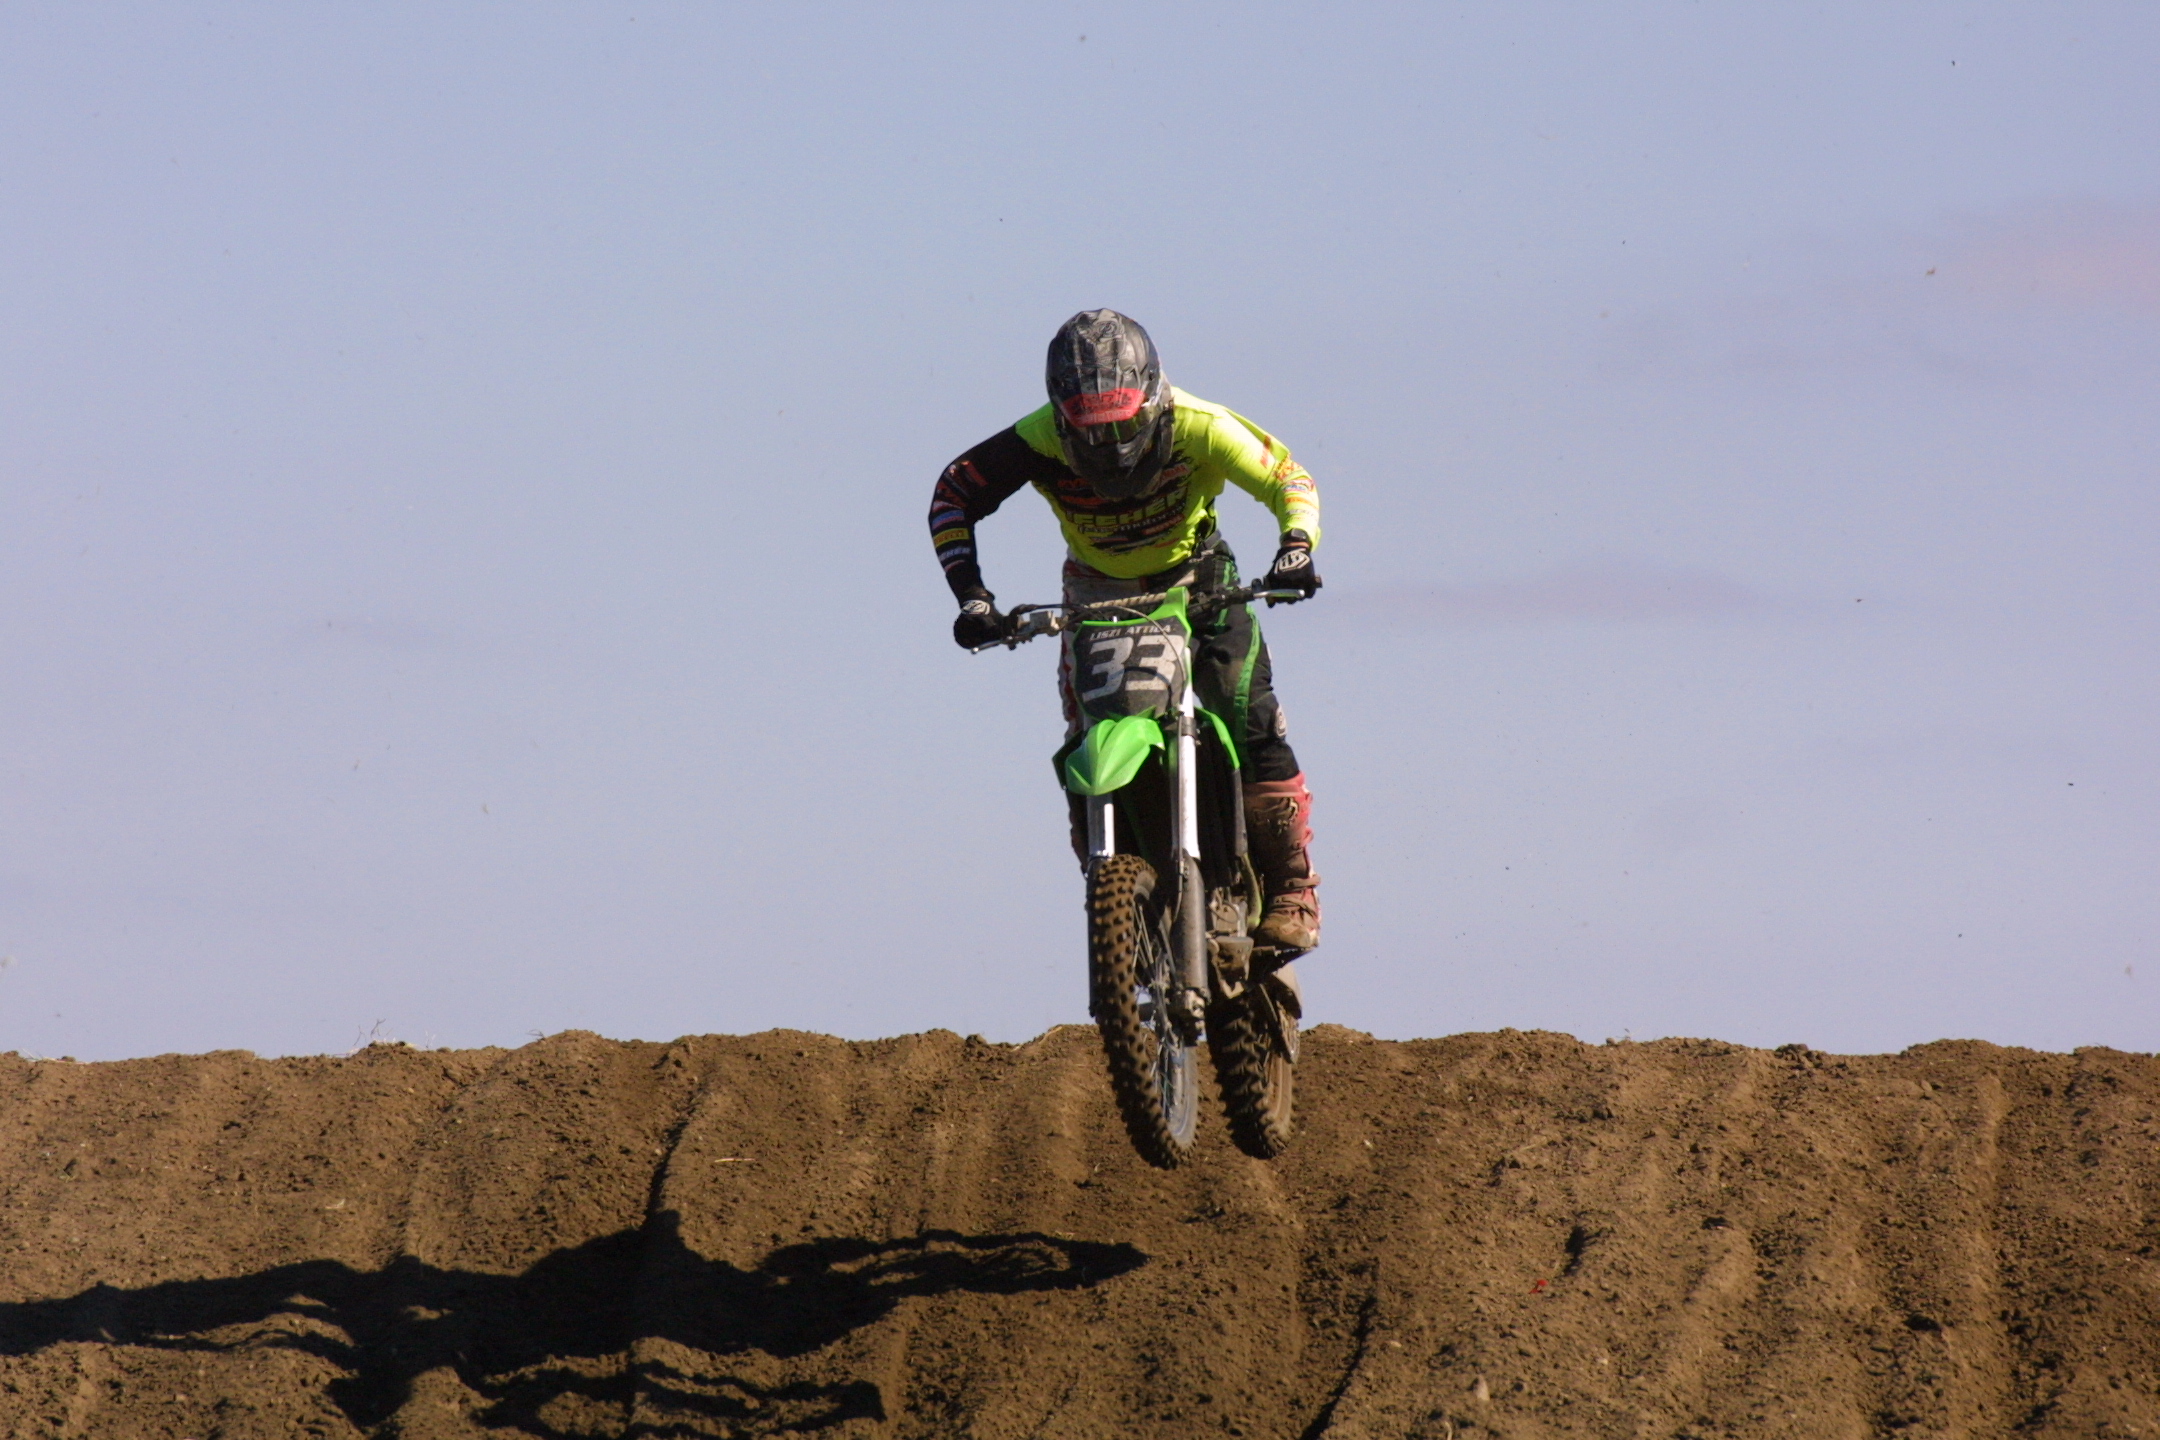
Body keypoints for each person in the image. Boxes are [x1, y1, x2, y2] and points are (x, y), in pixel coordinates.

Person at [927, 309, 1325, 952]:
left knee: (1248, 711)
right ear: (1061, 417)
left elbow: (1287, 477)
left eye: (1122, 424)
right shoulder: (1033, 440)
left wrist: (1296, 547)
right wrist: (972, 597)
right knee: (1086, 737)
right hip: (1097, 594)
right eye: (1091, 430)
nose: (1110, 445)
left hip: (1200, 580)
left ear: (1154, 395)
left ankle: (1291, 888)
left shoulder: (1201, 425)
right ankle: (1116, 892)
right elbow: (954, 496)